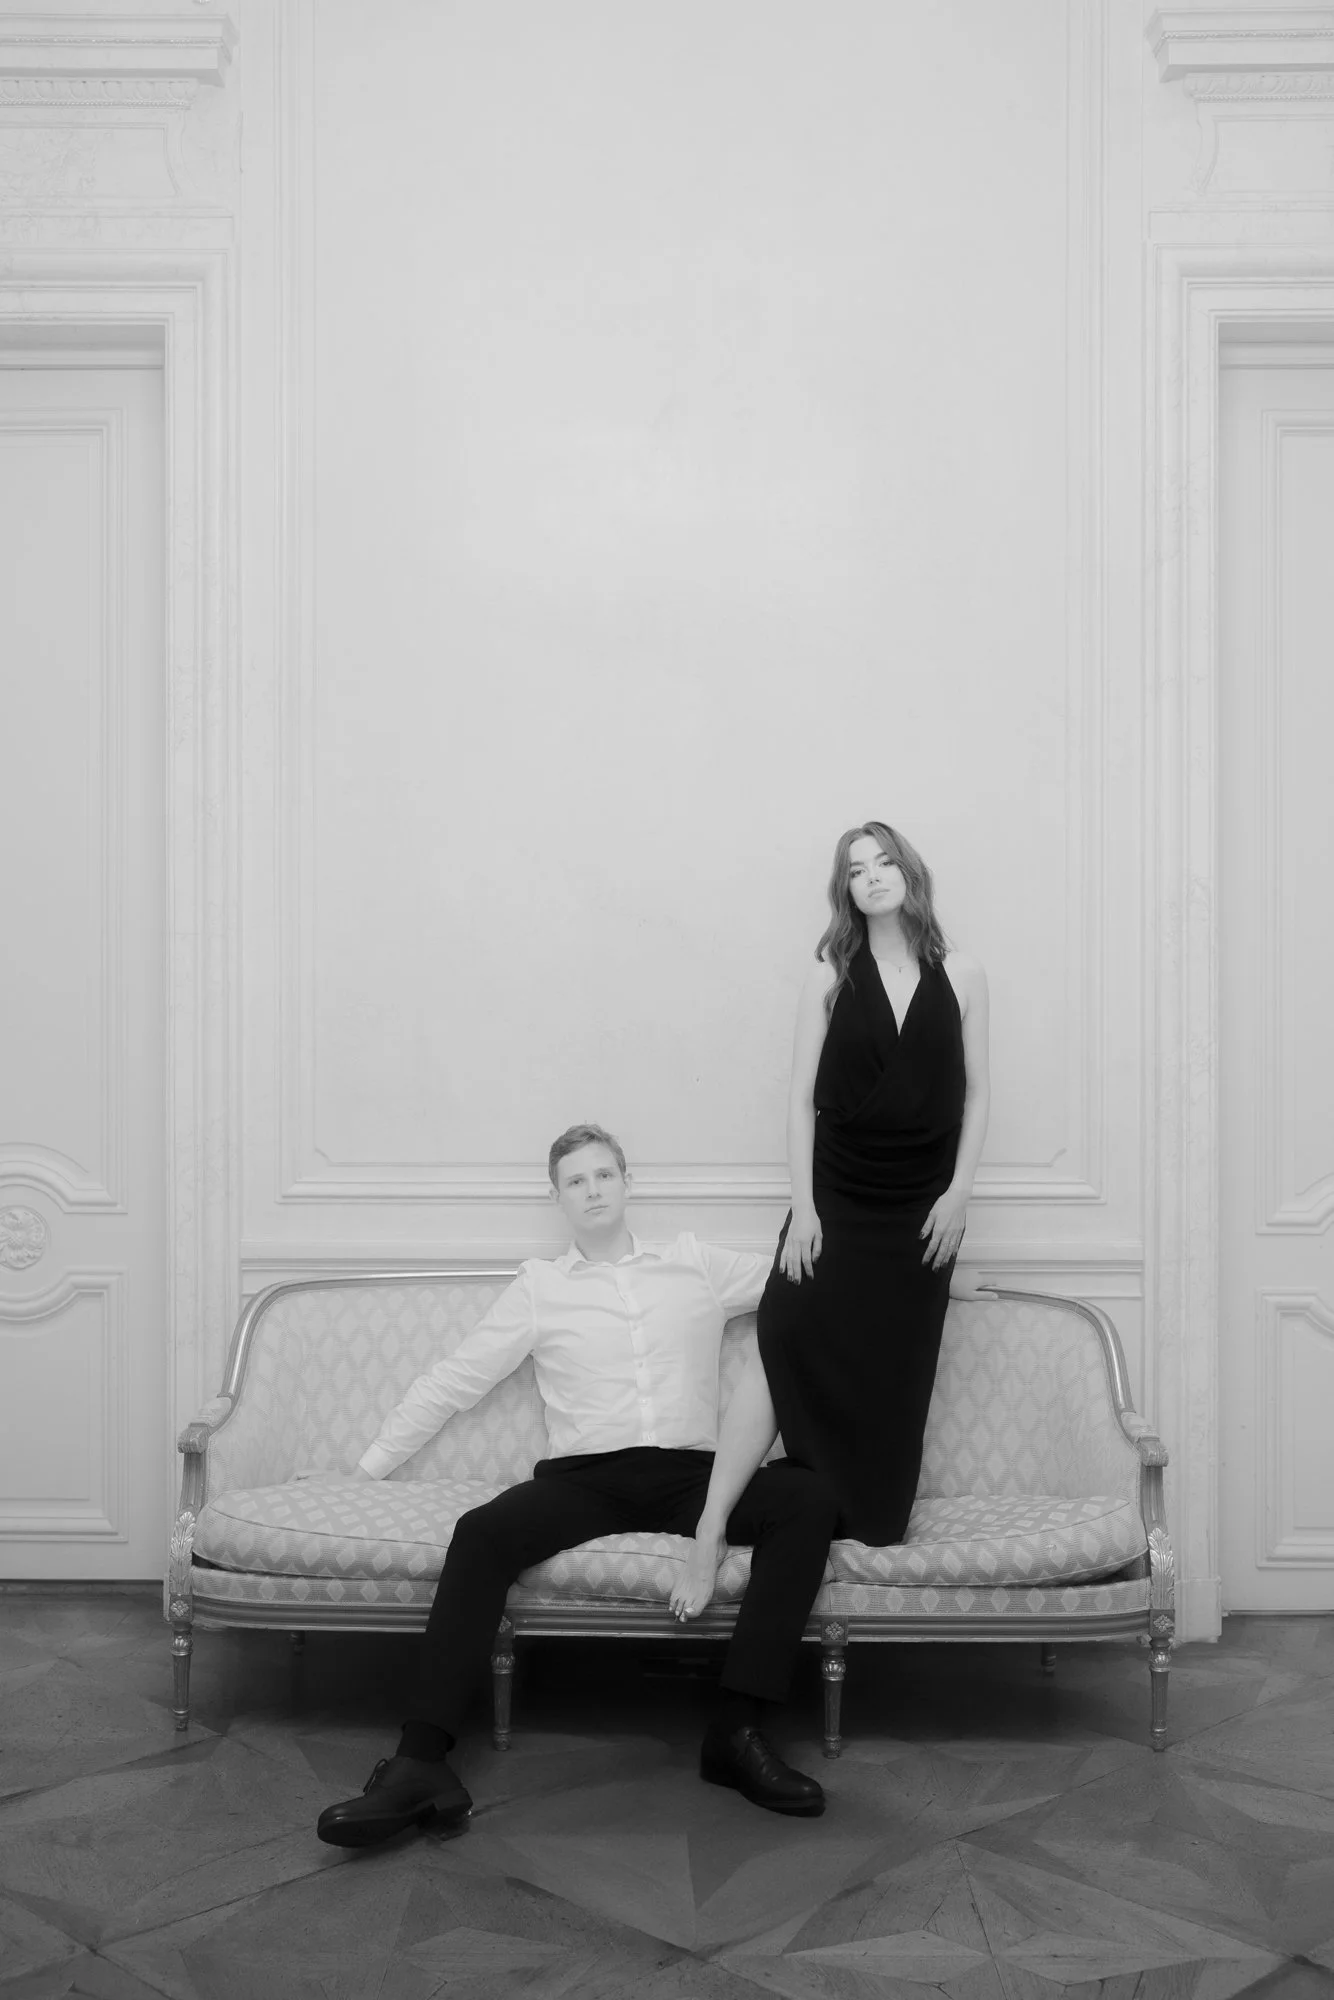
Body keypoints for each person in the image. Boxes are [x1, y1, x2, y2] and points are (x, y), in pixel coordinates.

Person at [315, 1123, 839, 1848]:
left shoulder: (695, 1264)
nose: (592, 1190)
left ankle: (737, 1728)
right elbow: (456, 1380)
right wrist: (368, 1470)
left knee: (807, 1499)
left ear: (627, 1182)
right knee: (482, 1532)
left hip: (695, 1474)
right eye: (575, 1181)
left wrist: (936, 1281)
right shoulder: (541, 1286)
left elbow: (809, 1285)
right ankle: (420, 1763)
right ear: (557, 1196)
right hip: (587, 1480)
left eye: (603, 1175)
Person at [672, 821, 990, 1615]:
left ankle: (834, 1509)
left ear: (910, 873)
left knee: (890, 1376)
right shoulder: (828, 975)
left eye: (884, 862)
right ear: (844, 890)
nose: (873, 877)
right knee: (785, 1334)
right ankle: (709, 1526)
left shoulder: (966, 974)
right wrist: (804, 1210)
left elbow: (980, 1094)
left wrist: (959, 1195)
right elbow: (797, 1099)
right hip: (838, 1198)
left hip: (923, 1214)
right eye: (856, 870)